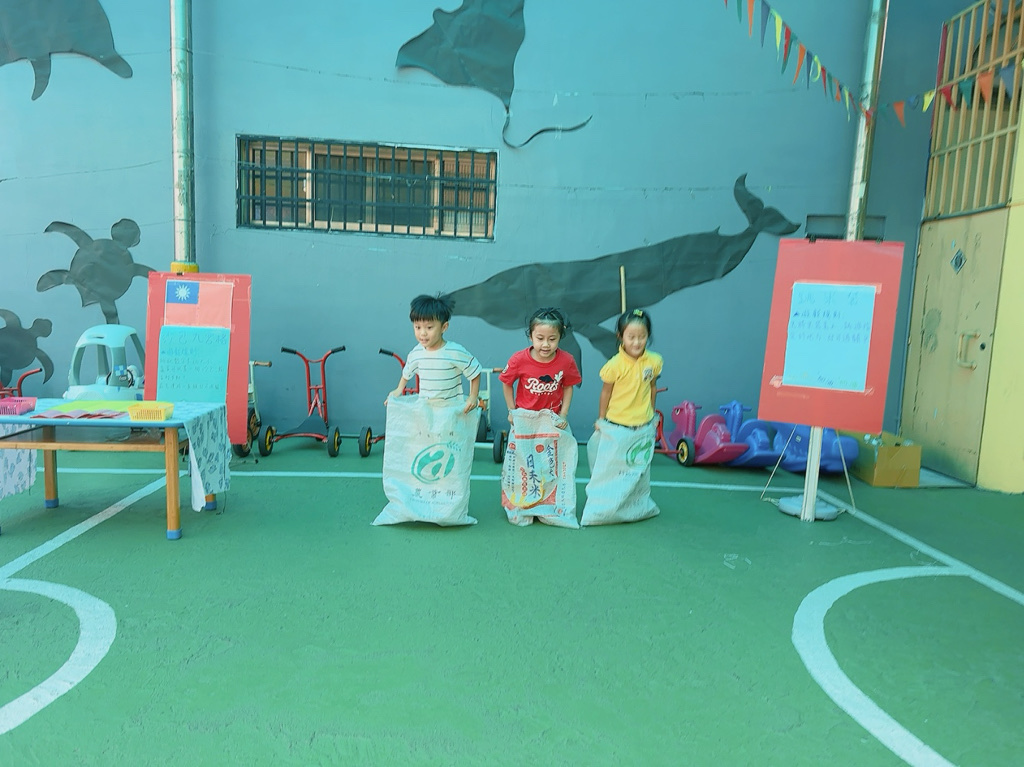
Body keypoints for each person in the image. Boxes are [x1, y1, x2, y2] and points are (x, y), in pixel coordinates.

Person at [386, 294, 481, 413]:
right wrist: (398, 390)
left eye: (429, 327)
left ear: (444, 327)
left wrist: (473, 396)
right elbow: (407, 372)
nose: (423, 333)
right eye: (417, 327)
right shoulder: (416, 353)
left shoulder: (454, 351)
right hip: (426, 411)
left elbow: (474, 371)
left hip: (450, 411)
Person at [499, 307, 581, 427]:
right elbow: (506, 383)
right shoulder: (518, 359)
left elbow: (568, 387)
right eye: (540, 338)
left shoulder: (567, 361)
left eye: (552, 339)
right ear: (531, 336)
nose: (546, 344)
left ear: (560, 337)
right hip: (524, 418)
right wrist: (512, 411)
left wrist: (563, 414)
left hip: (552, 419)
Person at [596, 308, 662, 428]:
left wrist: (652, 413)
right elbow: (606, 392)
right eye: (631, 337)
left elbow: (652, 387)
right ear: (620, 336)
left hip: (644, 423)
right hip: (617, 423)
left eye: (642, 337)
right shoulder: (614, 365)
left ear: (648, 334)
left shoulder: (655, 361)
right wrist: (601, 419)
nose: (637, 342)